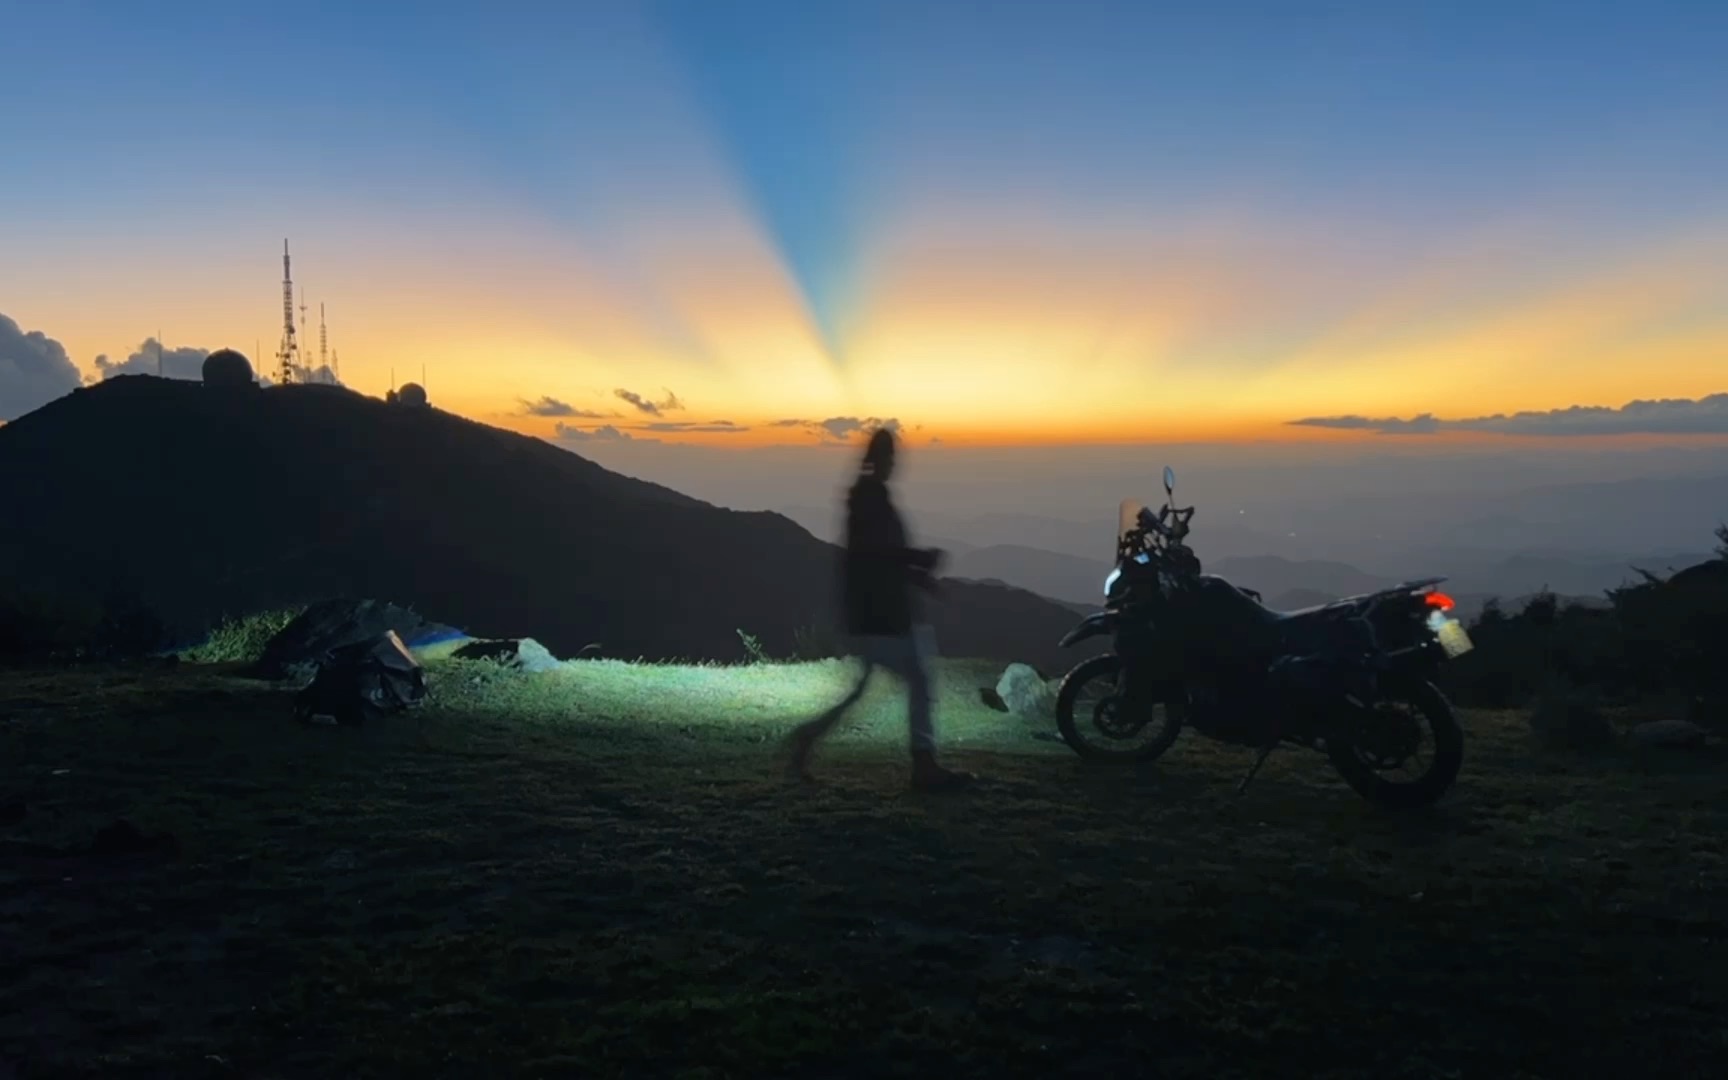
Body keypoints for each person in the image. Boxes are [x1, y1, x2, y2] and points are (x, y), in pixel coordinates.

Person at [784, 427, 977, 792]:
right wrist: (920, 560)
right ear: (883, 458)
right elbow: (875, 554)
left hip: (876, 610)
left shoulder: (868, 495)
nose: (894, 463)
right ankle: (923, 765)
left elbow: (877, 557)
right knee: (918, 679)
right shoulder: (869, 497)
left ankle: (806, 740)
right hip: (879, 614)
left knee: (872, 686)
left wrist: (918, 577)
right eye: (892, 456)